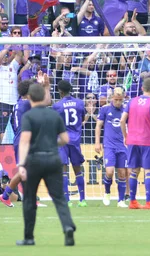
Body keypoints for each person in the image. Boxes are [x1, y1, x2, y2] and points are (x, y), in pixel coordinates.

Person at [16, 83, 76, 246]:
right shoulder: (54, 115)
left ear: (29, 98)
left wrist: (21, 165)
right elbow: (65, 139)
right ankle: (68, 226)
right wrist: (51, 144)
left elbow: (24, 141)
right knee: (59, 197)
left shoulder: (28, 116)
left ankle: (29, 237)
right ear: (44, 97)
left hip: (34, 160)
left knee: (29, 199)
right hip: (53, 159)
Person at [120, 78, 150, 210]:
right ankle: (148, 202)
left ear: (142, 88)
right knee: (148, 171)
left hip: (132, 140)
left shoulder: (132, 101)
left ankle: (133, 201)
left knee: (134, 171)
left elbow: (122, 121)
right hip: (146, 141)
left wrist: (126, 136)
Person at [0, 80, 46, 209]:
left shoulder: (18, 104)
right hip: (24, 141)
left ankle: (6, 196)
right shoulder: (26, 104)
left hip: (21, 139)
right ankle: (7, 196)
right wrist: (43, 86)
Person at [53, 80, 87, 208]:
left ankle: (67, 201)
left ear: (60, 91)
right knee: (78, 170)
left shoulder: (57, 106)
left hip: (62, 140)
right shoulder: (79, 103)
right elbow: (82, 119)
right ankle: (82, 200)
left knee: (63, 171)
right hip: (75, 140)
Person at [95, 87, 129, 208]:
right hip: (109, 146)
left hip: (122, 146)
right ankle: (107, 192)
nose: (118, 102)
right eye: (116, 99)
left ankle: (121, 200)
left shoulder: (126, 110)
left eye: (120, 100)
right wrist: (97, 142)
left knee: (122, 173)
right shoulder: (105, 109)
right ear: (112, 98)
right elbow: (98, 126)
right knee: (109, 172)